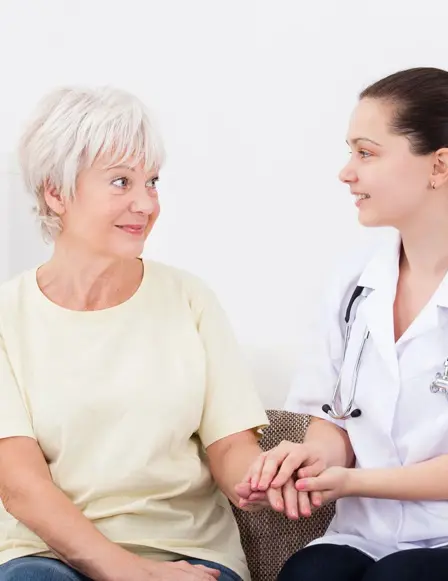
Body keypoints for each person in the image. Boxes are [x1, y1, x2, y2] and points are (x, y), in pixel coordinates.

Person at [237, 67, 448, 581]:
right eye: (351, 152)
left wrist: (351, 483)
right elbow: (333, 419)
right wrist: (305, 461)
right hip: (368, 533)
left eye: (366, 153)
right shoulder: (354, 280)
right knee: (309, 574)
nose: (347, 172)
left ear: (438, 167)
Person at [0, 86, 269, 581]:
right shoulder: (5, 318)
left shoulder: (190, 299)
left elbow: (231, 447)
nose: (146, 203)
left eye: (152, 181)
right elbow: (19, 483)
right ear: (55, 193)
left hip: (185, 553)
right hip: (47, 556)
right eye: (121, 182)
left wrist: (259, 483)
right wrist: (132, 574)